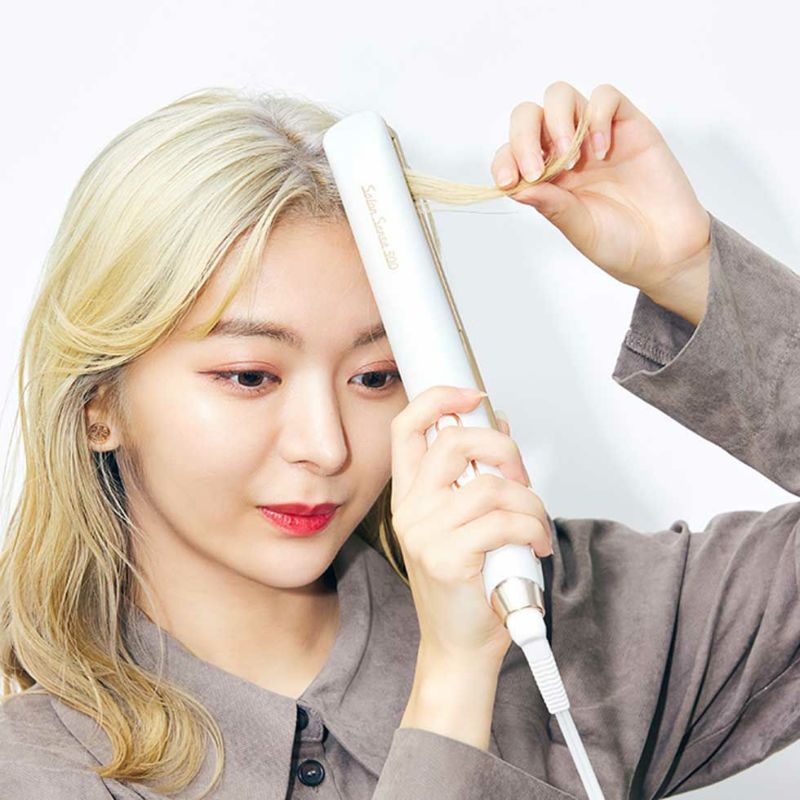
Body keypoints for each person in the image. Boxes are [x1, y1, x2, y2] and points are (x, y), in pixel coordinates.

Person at [0, 81, 796, 799]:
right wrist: (451, 686)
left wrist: (687, 270)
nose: (327, 447)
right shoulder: (33, 767)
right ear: (98, 401)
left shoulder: (569, 621)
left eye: (376, 376)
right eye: (250, 376)